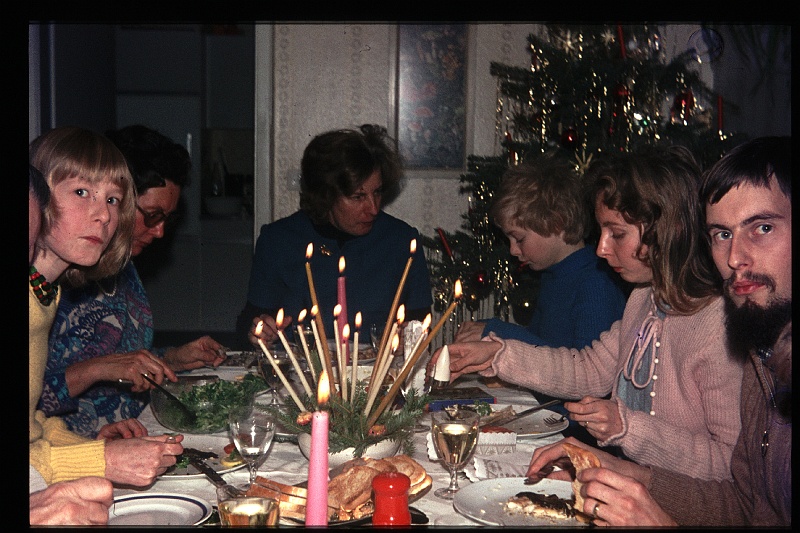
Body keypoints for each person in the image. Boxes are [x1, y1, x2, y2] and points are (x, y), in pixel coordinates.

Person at [435, 145, 744, 481]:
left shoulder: (718, 326)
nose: (601, 248)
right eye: (602, 233)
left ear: (668, 229)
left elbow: (731, 466)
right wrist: (498, 353)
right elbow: (589, 369)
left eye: (618, 234)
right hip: (630, 489)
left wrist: (627, 428)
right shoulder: (645, 299)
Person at [526, 136, 791, 527]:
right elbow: (740, 502)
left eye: (763, 227)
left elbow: (722, 469)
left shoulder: (725, 328)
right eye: (721, 234)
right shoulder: (759, 350)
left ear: (665, 231)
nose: (735, 257)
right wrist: (618, 471)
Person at [39, 124, 226, 438]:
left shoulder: (121, 267)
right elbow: (37, 401)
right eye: (152, 215)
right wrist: (95, 369)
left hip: (128, 432)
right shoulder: (53, 276)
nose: (160, 232)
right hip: (73, 446)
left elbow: (122, 361)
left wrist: (171, 359)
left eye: (111, 200)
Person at [29, 126, 183, 488]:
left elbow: (33, 425)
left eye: (113, 200)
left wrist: (86, 447)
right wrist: (100, 459)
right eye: (82, 192)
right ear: (38, 196)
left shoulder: (43, 295)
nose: (103, 215)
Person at [450, 154, 629, 445]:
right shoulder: (553, 274)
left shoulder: (596, 284)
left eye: (518, 238)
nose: (512, 250)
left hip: (575, 435)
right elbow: (544, 344)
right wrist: (493, 330)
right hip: (548, 418)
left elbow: (587, 376)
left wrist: (499, 331)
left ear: (555, 223)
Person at [236, 124, 432, 349]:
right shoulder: (278, 241)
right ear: (325, 195)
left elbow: (420, 324)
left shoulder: (402, 242)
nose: (373, 209)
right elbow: (249, 322)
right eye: (358, 197)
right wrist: (258, 330)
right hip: (299, 378)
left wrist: (409, 339)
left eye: (377, 192)